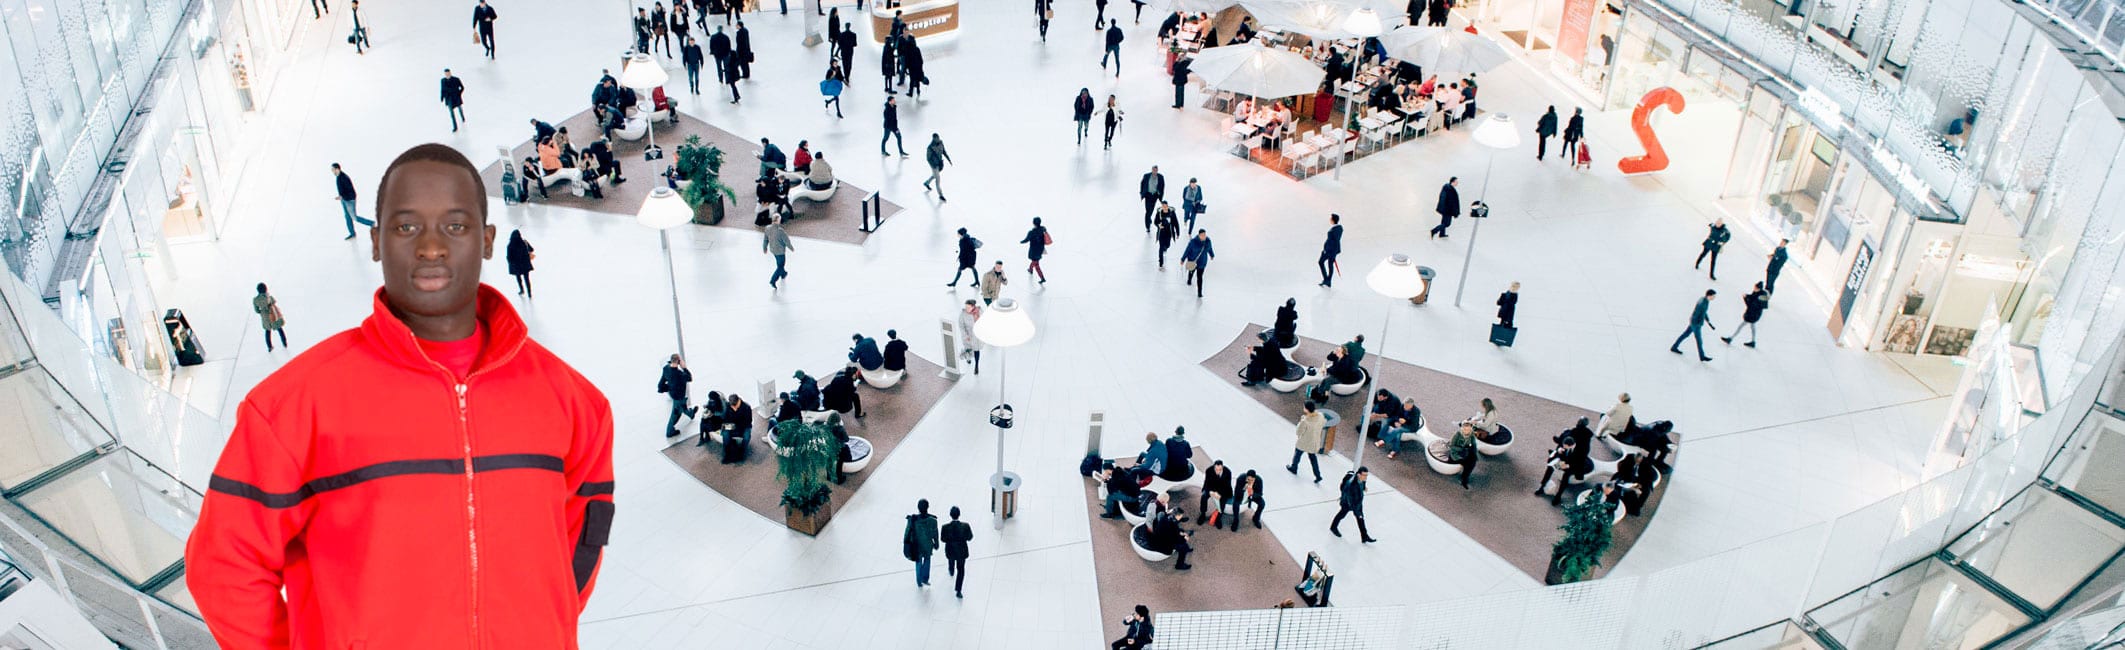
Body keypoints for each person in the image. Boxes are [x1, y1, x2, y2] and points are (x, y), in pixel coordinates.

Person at [186, 144, 614, 649]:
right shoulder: (292, 408)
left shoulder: (573, 403)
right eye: (406, 227)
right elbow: (224, 565)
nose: (431, 247)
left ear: (487, 240)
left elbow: (580, 547)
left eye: (455, 226)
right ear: (374, 241)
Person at [1539, 417, 1595, 504]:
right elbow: (1560, 442)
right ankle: (1542, 486)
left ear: (1572, 445)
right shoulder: (1568, 436)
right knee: (1550, 467)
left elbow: (1580, 460)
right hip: (1564, 459)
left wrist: (1568, 465)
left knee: (1566, 475)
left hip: (1574, 463)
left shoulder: (1582, 449)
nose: (1564, 447)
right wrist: (1559, 451)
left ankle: (1558, 496)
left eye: (1565, 447)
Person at [1329, 468, 1377, 542]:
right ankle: (1333, 527)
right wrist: (1357, 512)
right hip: (1348, 503)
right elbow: (1351, 501)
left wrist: (1364, 487)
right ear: (1358, 474)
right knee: (1342, 514)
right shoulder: (1352, 485)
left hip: (1357, 502)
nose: (1365, 477)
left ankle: (1364, 536)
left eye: (1367, 475)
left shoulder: (1361, 479)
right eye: (1364, 475)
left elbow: (1363, 483)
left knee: (1360, 519)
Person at [330, 163, 376, 240]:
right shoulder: (338, 177)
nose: (332, 172)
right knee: (347, 217)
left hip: (349, 200)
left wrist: (342, 196)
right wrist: (342, 197)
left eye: (333, 170)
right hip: (344, 200)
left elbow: (351, 191)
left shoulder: (344, 178)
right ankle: (352, 233)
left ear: (337, 169)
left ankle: (372, 223)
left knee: (354, 217)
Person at [1670, 289, 1718, 362]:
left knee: (1685, 335)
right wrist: (1696, 323)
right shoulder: (1702, 303)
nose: (1714, 297)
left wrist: (1708, 320)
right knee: (1699, 340)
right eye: (1714, 296)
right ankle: (1702, 356)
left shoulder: (1705, 301)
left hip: (1694, 322)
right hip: (1696, 324)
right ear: (1709, 295)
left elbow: (1704, 312)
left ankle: (1674, 347)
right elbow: (1696, 313)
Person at [1145, 502, 1194, 570]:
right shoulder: (1173, 525)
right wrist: (1185, 538)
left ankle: (1186, 548)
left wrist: (1181, 533)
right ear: (1177, 516)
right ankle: (1179, 565)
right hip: (1163, 544)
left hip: (1159, 537)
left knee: (1181, 532)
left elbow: (1174, 533)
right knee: (1182, 547)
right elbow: (1174, 539)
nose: (1181, 517)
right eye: (1181, 516)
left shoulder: (1166, 518)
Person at [904, 500, 940, 587]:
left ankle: (919, 581)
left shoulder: (912, 519)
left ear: (918, 508)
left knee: (918, 561)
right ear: (928, 507)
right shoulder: (933, 520)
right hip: (928, 545)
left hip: (916, 545)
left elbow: (907, 533)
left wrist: (906, 543)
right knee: (927, 560)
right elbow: (935, 534)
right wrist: (936, 544)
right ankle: (925, 578)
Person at [659, 354, 697, 438]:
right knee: (676, 414)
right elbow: (690, 378)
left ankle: (691, 414)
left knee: (683, 407)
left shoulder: (666, 368)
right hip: (679, 397)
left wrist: (668, 388)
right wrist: (684, 368)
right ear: (679, 361)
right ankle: (669, 431)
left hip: (674, 395)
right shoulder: (679, 374)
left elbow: (660, 385)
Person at [1289, 401, 1326, 482]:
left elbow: (1298, 432)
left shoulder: (1305, 421)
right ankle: (1318, 475)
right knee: (1313, 459)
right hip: (1314, 443)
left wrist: (1302, 419)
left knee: (1297, 455)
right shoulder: (1320, 416)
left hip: (1304, 442)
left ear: (1306, 409)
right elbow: (1323, 423)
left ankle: (1294, 468)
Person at [940, 507, 973, 597]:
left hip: (950, 550)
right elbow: (970, 537)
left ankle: (951, 570)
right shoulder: (965, 526)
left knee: (951, 560)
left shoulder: (945, 527)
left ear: (950, 515)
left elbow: (943, 539)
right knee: (961, 570)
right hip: (962, 551)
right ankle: (958, 590)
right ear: (959, 514)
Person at [1724, 282, 1769, 347]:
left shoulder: (1760, 297)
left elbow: (1750, 305)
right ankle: (1753, 342)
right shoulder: (1759, 293)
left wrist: (1745, 298)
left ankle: (1731, 338)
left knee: (1741, 326)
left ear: (1759, 289)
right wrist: (1747, 296)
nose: (1754, 289)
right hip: (1754, 314)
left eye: (1755, 288)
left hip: (1753, 314)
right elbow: (1752, 297)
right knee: (1752, 327)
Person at [253, 283, 288, 351]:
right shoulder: (269, 297)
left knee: (268, 331)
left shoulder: (255, 300)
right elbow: (274, 302)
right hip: (273, 315)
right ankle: (284, 343)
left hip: (265, 317)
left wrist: (262, 312)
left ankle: (269, 347)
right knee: (280, 329)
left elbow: (257, 310)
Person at [1181, 229, 1213, 297]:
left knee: (1200, 277)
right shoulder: (1193, 242)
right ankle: (1189, 279)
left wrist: (1212, 255)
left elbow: (1210, 248)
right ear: (1199, 235)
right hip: (1193, 261)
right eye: (1202, 235)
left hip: (1202, 262)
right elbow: (1187, 250)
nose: (1204, 236)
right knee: (1191, 271)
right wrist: (1182, 259)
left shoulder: (1208, 241)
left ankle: (1199, 292)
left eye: (1205, 235)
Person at [764, 215, 793, 288]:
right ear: (777, 220)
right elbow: (786, 241)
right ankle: (773, 280)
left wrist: (764, 247)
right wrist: (791, 248)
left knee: (779, 263)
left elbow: (765, 239)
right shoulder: (780, 231)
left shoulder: (767, 228)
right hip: (780, 251)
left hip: (773, 250)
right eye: (779, 219)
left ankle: (783, 274)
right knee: (780, 266)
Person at [1450, 422, 1479, 489]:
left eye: (1468, 430)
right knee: (1467, 463)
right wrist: (1461, 449)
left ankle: (1465, 477)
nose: (1467, 432)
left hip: (1466, 452)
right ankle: (1464, 480)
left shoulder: (1471, 435)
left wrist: (1474, 454)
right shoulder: (1457, 435)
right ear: (1462, 429)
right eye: (1465, 430)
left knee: (1472, 462)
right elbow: (1451, 446)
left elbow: (1474, 445)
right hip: (1457, 453)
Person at [505, 230, 534, 296]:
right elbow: (531, 249)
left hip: (516, 266)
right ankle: (529, 293)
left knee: (518, 278)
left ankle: (521, 290)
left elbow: (509, 257)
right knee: (527, 279)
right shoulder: (524, 242)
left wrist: (511, 263)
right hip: (525, 264)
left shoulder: (510, 245)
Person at [924, 134, 953, 200]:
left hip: (939, 164)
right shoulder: (930, 147)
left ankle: (926, 183)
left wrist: (949, 160)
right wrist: (933, 165)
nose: (938, 139)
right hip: (934, 166)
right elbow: (928, 158)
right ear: (933, 139)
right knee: (938, 179)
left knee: (934, 175)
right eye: (936, 138)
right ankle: (941, 195)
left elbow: (944, 152)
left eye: (938, 138)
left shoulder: (941, 142)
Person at [1022, 217, 1050, 283]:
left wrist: (1021, 242)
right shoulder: (1043, 229)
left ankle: (1042, 278)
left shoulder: (1031, 232)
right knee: (1035, 262)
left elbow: (1026, 240)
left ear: (1033, 223)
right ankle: (1030, 270)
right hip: (1040, 250)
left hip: (1034, 251)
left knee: (1036, 264)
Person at [1137, 166, 1166, 230]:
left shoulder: (1161, 177)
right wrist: (1142, 192)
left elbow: (1162, 186)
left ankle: (1148, 221)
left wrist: (1160, 194)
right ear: (1152, 170)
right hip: (1148, 195)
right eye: (1154, 170)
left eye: (1156, 170)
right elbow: (1142, 183)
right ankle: (1147, 225)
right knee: (1147, 211)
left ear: (1157, 170)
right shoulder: (1146, 176)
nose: (1155, 171)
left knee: (1151, 210)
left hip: (1154, 196)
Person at [1318, 213, 1343, 287]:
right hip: (1334, 250)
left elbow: (1331, 242)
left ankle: (1326, 279)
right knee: (1330, 264)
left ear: (1333, 220)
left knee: (1321, 262)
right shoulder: (1340, 228)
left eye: (1330, 218)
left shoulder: (1333, 231)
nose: (1329, 220)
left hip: (1329, 251)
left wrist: (1325, 250)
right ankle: (1328, 280)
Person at [958, 300, 982, 373]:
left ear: (973, 306)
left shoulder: (980, 312)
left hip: (977, 336)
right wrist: (966, 336)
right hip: (968, 336)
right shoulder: (963, 314)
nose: (966, 309)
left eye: (968, 307)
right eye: (966, 307)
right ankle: (968, 358)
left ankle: (976, 365)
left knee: (976, 351)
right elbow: (961, 326)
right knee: (968, 350)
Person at [1154, 204, 1180, 269]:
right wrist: (1158, 225)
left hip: (1169, 233)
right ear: (1162, 207)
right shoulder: (1159, 213)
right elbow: (1155, 221)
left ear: (1167, 206)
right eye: (1163, 207)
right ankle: (1161, 263)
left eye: (1166, 206)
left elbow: (1176, 222)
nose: (1165, 208)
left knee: (1168, 245)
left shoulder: (1172, 213)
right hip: (1161, 233)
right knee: (1161, 247)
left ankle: (1165, 248)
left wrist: (1177, 232)